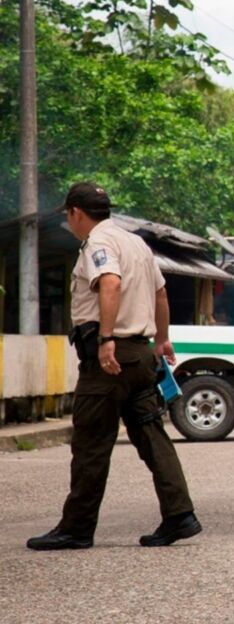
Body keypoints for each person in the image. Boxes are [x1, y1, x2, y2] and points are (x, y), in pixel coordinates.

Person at [28, 183, 200, 551]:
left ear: (76, 212)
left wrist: (106, 339)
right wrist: (162, 339)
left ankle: (76, 528)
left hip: (111, 359)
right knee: (152, 436)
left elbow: (110, 284)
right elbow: (160, 293)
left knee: (91, 441)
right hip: (141, 355)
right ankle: (179, 514)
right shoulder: (136, 243)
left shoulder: (99, 243)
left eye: (68, 215)